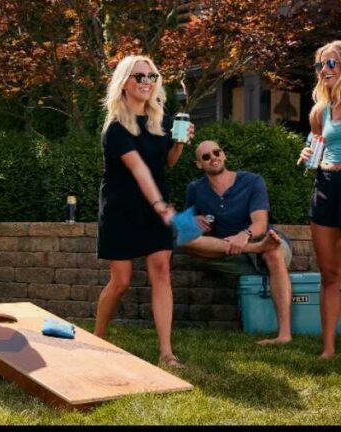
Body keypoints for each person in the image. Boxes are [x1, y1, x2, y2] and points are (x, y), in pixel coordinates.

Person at [94, 55, 194, 368]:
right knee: (121, 280)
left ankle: (166, 352)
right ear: (124, 82)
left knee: (162, 269)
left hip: (155, 206)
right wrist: (161, 206)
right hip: (122, 209)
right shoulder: (115, 129)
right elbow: (138, 172)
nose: (146, 82)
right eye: (139, 76)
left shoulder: (159, 121)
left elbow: (166, 163)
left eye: (151, 76)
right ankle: (98, 338)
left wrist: (179, 144)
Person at [183, 140, 292, 346]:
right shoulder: (195, 189)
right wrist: (193, 219)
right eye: (206, 156)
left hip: (262, 240)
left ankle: (284, 335)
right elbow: (187, 232)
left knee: (273, 252)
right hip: (231, 253)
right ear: (199, 164)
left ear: (223, 155)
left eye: (217, 152)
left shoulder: (251, 181)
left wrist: (245, 235)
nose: (213, 157)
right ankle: (256, 249)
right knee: (185, 242)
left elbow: (260, 223)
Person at [297, 40, 341, 359]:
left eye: (332, 63)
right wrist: (308, 153)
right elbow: (318, 145)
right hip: (325, 185)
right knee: (329, 273)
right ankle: (327, 349)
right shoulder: (320, 110)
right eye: (320, 65)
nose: (324, 70)